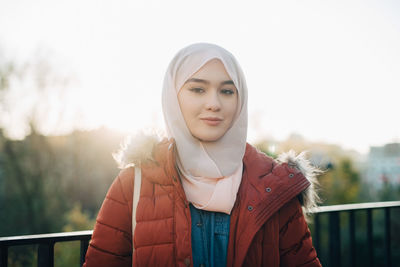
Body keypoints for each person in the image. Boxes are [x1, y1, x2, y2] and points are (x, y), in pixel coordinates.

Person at [83, 43, 322, 267]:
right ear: (173, 97)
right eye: (198, 89)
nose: (214, 103)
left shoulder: (275, 186)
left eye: (227, 91)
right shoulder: (133, 184)